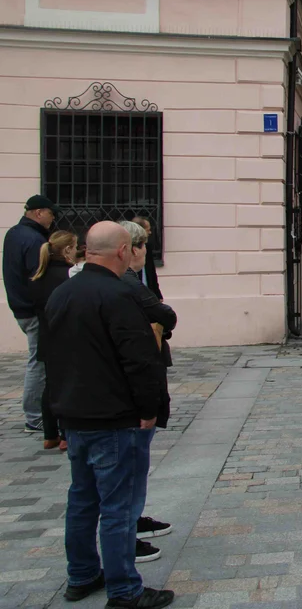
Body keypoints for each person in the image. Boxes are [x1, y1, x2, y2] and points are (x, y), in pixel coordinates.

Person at [44, 221, 174, 609]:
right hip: (114, 418)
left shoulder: (61, 293)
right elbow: (139, 360)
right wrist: (149, 410)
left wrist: (56, 418)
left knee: (82, 499)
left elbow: (50, 360)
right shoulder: (120, 295)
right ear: (122, 251)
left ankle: (81, 574)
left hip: (75, 415)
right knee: (117, 507)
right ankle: (124, 590)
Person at [119, 221, 176, 562]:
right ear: (132, 250)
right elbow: (162, 314)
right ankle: (127, 542)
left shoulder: (75, 285)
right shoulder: (124, 287)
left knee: (88, 490)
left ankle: (85, 567)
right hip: (125, 400)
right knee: (128, 469)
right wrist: (149, 407)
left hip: (85, 404)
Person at [3, 194, 58, 432]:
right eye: (50, 214)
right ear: (38, 213)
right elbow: (39, 277)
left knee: (38, 359)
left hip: (20, 306)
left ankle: (36, 414)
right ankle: (35, 417)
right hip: (33, 309)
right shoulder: (34, 239)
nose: (52, 219)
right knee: (39, 361)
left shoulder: (14, 233)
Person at [29, 230, 78, 451]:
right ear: (67, 249)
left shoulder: (38, 275)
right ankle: (66, 434)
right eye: (75, 246)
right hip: (66, 337)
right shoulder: (69, 275)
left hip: (47, 338)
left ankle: (50, 434)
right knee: (69, 385)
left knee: (50, 386)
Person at [132, 217, 162, 300]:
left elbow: (151, 271)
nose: (150, 232)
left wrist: (157, 294)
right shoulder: (128, 249)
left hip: (148, 291)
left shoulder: (148, 247)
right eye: (147, 229)